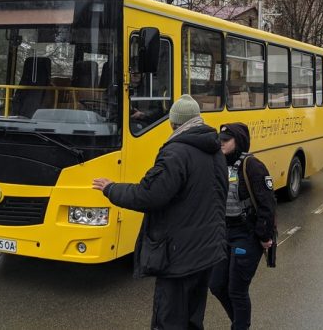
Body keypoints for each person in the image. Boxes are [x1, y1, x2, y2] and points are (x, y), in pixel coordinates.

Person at [92, 94, 227, 330]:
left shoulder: (176, 153)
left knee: (168, 320)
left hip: (179, 256)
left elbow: (149, 195)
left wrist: (111, 188)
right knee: (193, 319)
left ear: (174, 123)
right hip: (207, 251)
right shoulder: (214, 149)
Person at [210, 123, 276, 330]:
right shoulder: (218, 163)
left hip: (246, 234)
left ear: (238, 142)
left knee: (237, 290)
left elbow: (267, 204)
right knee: (217, 285)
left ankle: (240, 326)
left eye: (226, 140)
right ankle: (239, 323)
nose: (221, 143)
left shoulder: (253, 165)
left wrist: (264, 236)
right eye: (219, 139)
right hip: (224, 233)